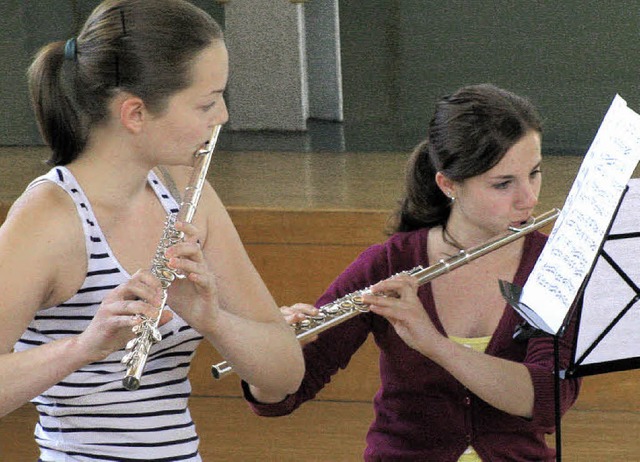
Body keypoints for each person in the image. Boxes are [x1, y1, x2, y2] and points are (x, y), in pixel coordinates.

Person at [0, 0, 304, 460]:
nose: (221, 116)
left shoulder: (187, 194)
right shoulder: (48, 216)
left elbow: (284, 375)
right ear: (135, 114)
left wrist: (211, 318)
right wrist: (85, 347)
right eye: (206, 102)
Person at [244, 84, 582, 461]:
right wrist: (270, 353)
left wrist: (433, 342)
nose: (529, 198)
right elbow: (281, 398)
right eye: (503, 184)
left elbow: (548, 400)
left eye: (534, 174)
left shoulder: (554, 266)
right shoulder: (389, 264)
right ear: (448, 184)